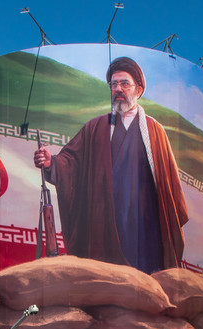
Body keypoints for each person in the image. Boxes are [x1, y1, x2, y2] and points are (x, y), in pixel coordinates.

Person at [32, 56, 188, 274]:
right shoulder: (95, 128)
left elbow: (170, 190)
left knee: (146, 282)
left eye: (124, 83)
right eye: (113, 84)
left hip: (144, 227)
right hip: (104, 223)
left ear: (138, 90)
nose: (118, 89)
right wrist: (52, 163)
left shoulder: (155, 132)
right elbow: (71, 162)